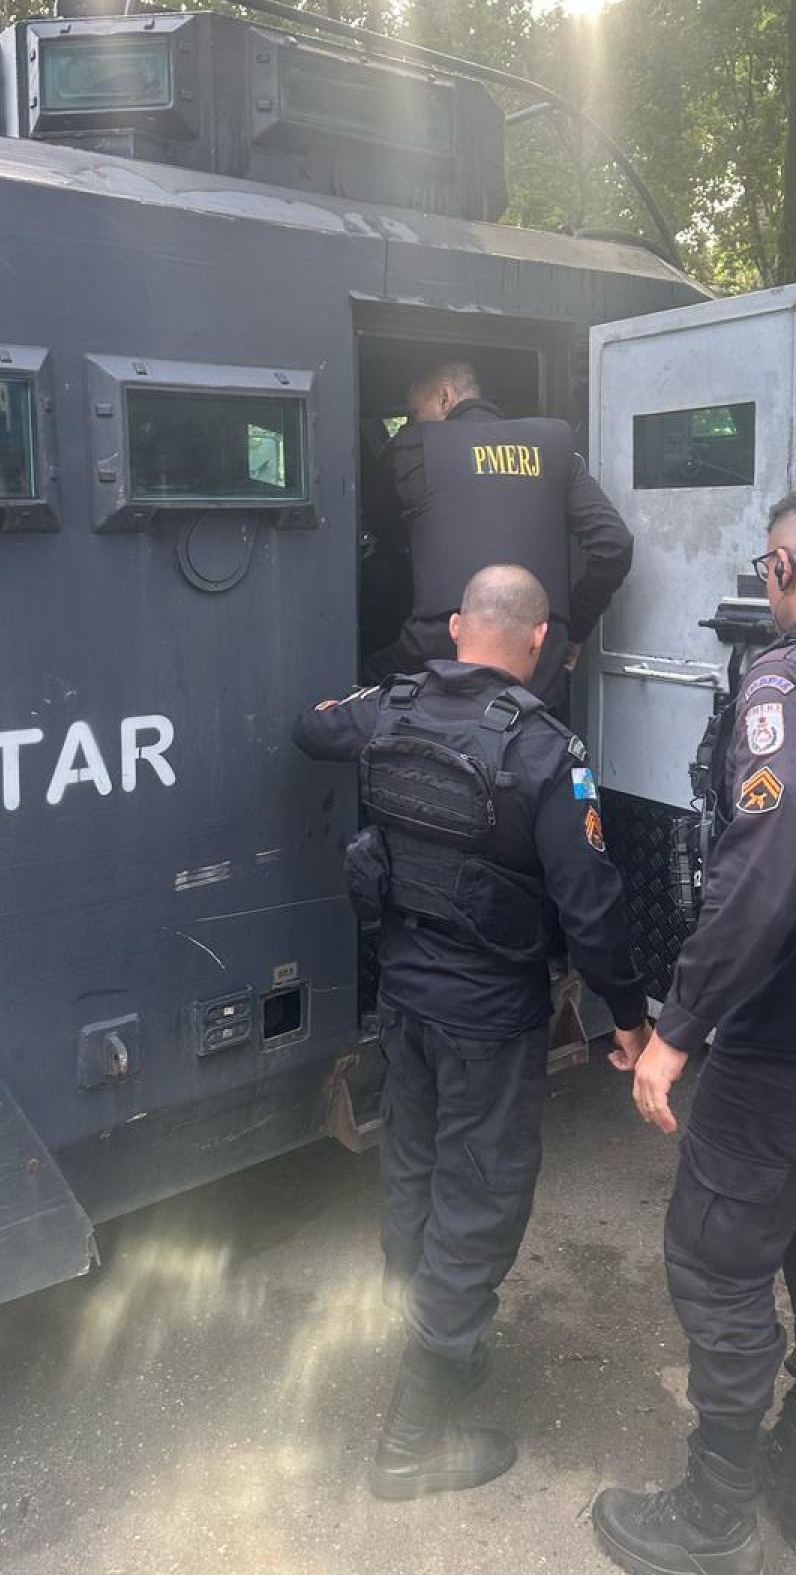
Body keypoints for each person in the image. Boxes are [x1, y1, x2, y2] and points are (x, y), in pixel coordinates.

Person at [293, 564, 651, 1502]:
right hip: (490, 1021)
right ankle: (410, 1442)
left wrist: (360, 699)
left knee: (413, 1173)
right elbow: (594, 906)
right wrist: (631, 1021)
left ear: (456, 628)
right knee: (480, 1201)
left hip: (403, 1005)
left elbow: (311, 726)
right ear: (538, 644)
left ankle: (421, 1338)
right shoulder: (545, 749)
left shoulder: (391, 709)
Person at [594, 480, 796, 1575]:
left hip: (786, 1051)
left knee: (719, 1268)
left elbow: (769, 856)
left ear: (783, 571)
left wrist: (681, 1027)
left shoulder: (795, 680)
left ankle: (716, 1512)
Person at [375, 360, 634, 709]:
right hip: (538, 648)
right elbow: (614, 544)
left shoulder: (414, 447)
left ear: (444, 397)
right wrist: (569, 629)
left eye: (413, 412)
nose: (411, 422)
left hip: (438, 647)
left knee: (365, 681)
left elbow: (374, 521)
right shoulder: (555, 447)